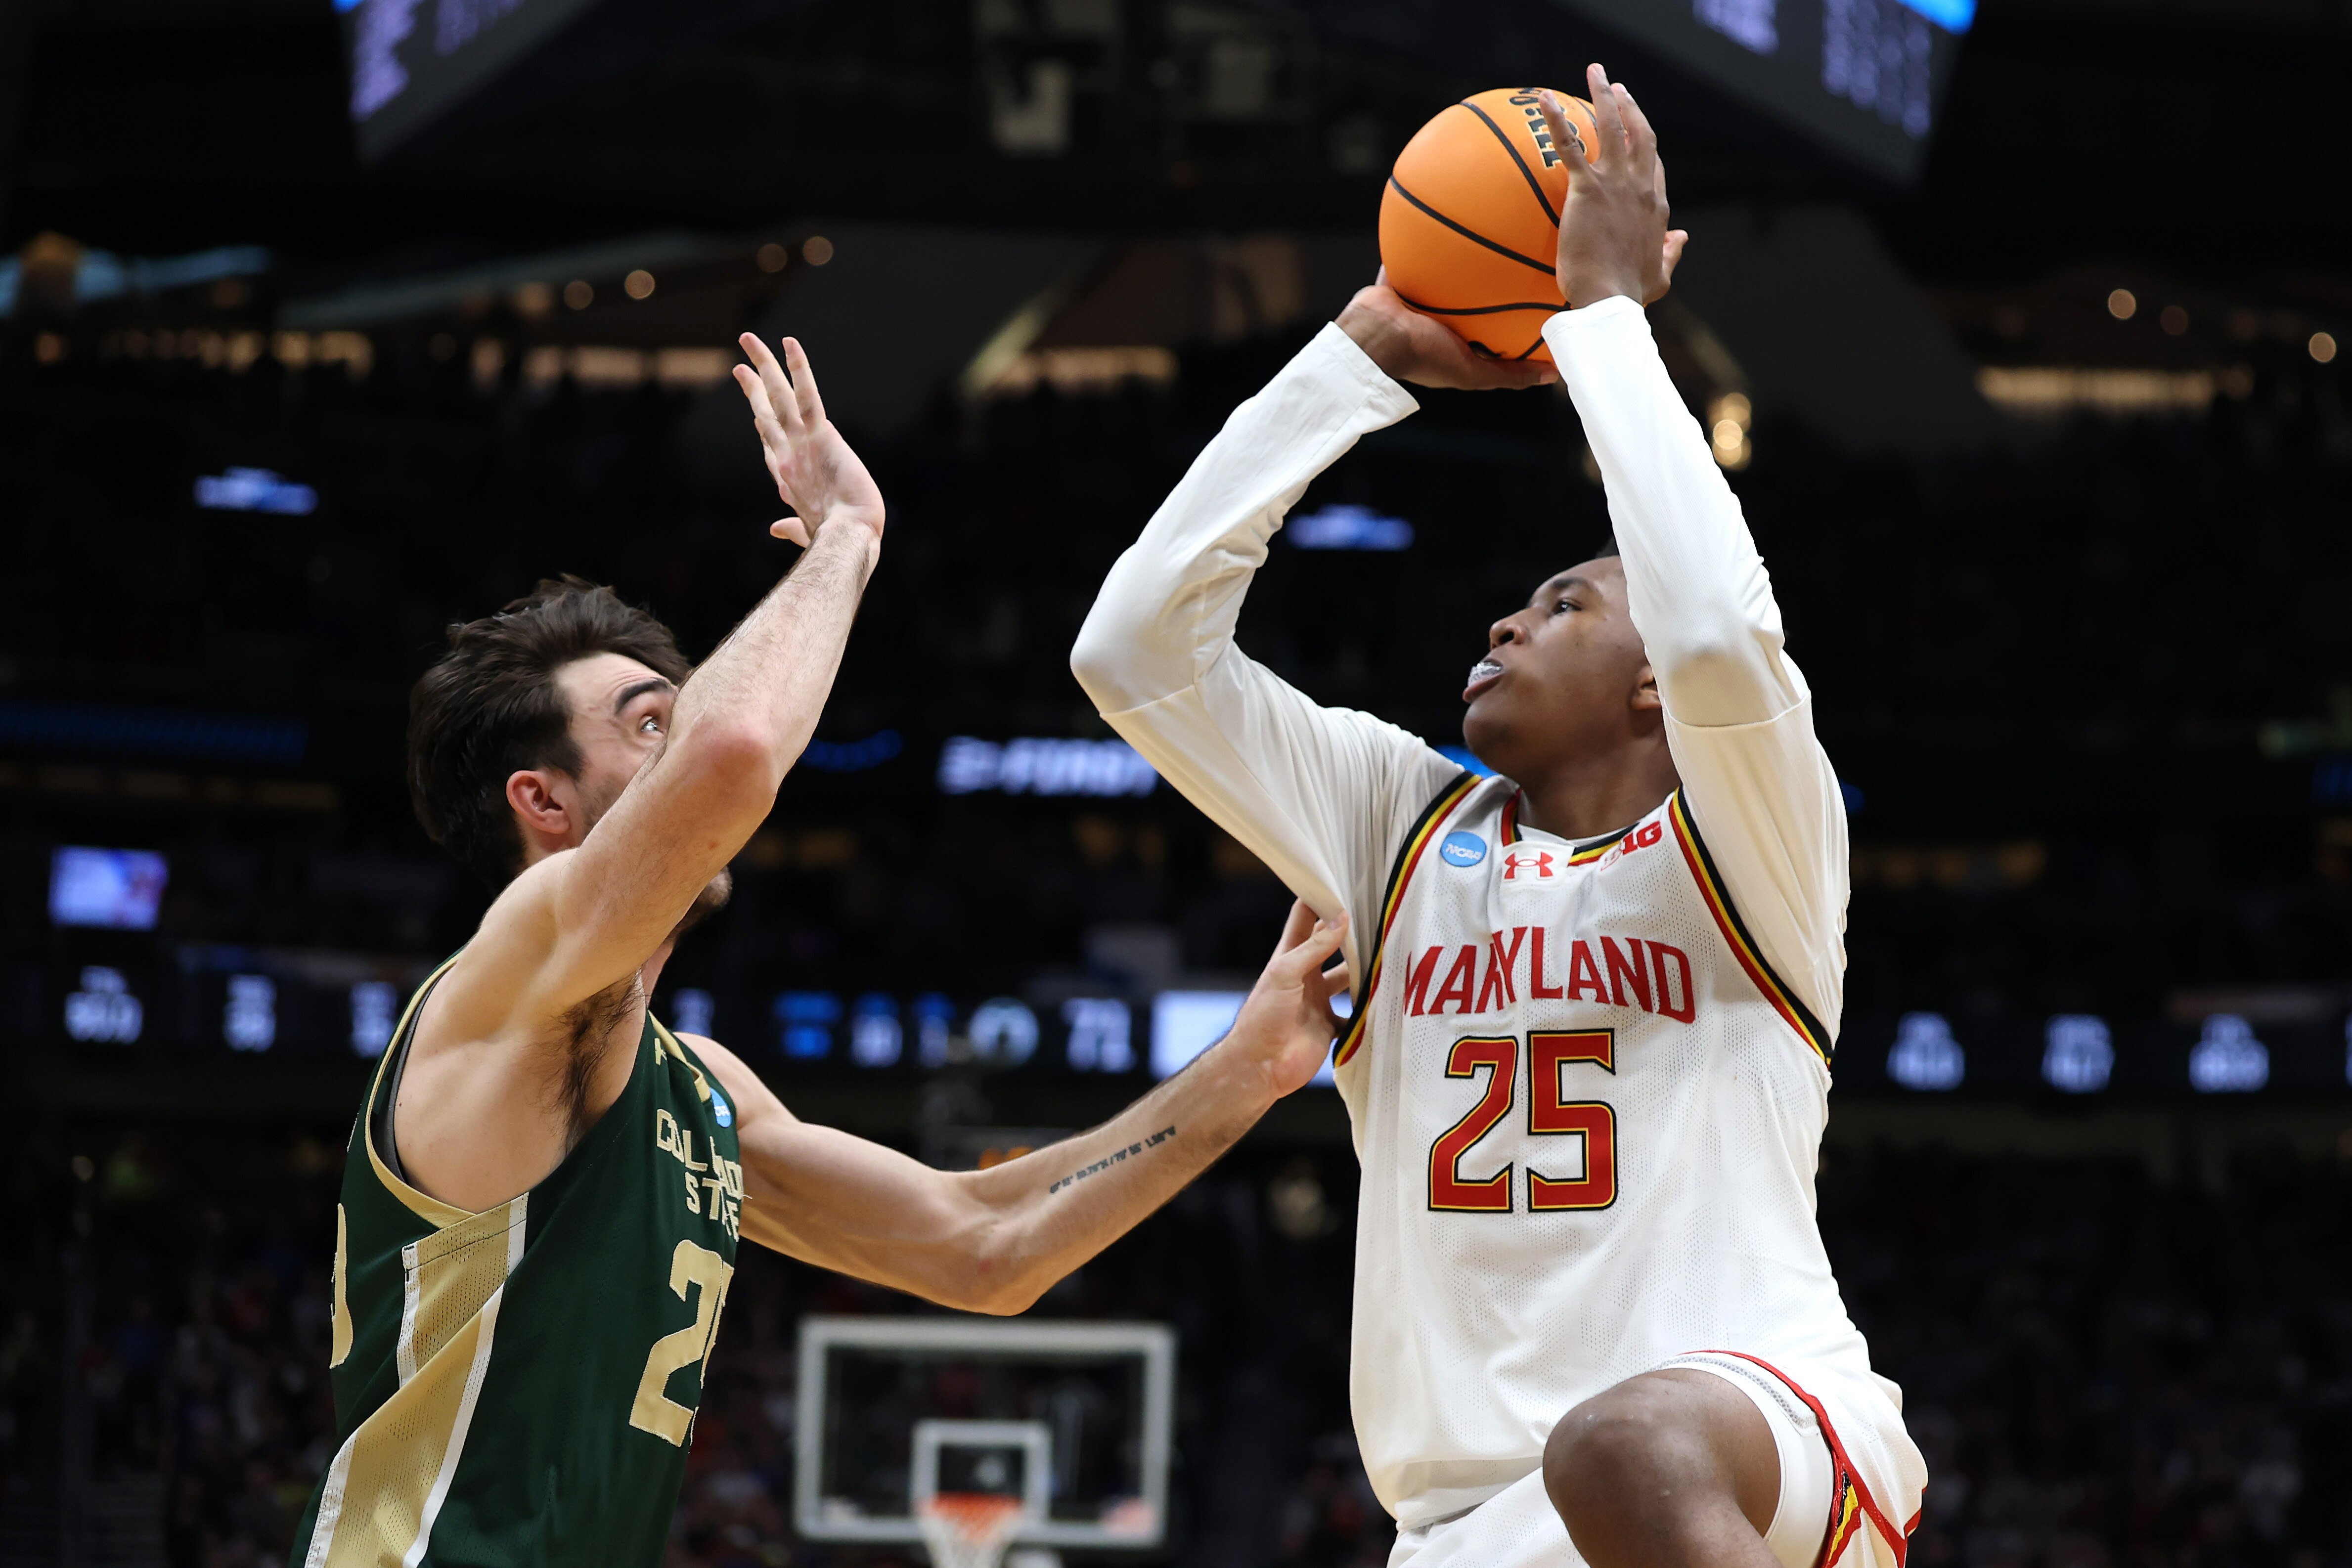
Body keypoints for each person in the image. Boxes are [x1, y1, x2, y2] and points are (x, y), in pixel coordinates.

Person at [291, 333, 1358, 1568]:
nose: (683, 734)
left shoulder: (702, 1091)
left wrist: (1247, 1071)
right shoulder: (510, 972)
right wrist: (849, 532)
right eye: (649, 724)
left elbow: (980, 1246)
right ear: (546, 802)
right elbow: (736, 751)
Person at [1071, 64, 1925, 1568]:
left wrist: (1603, 322)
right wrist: (1351, 365)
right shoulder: (1399, 829)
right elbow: (1133, 647)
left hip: (1756, 1435)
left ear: (1652, 684)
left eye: (1564, 600)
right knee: (1592, 1460)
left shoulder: (1754, 838)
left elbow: (1723, 640)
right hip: (1463, 1521)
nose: (1506, 618)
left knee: (1622, 1440)